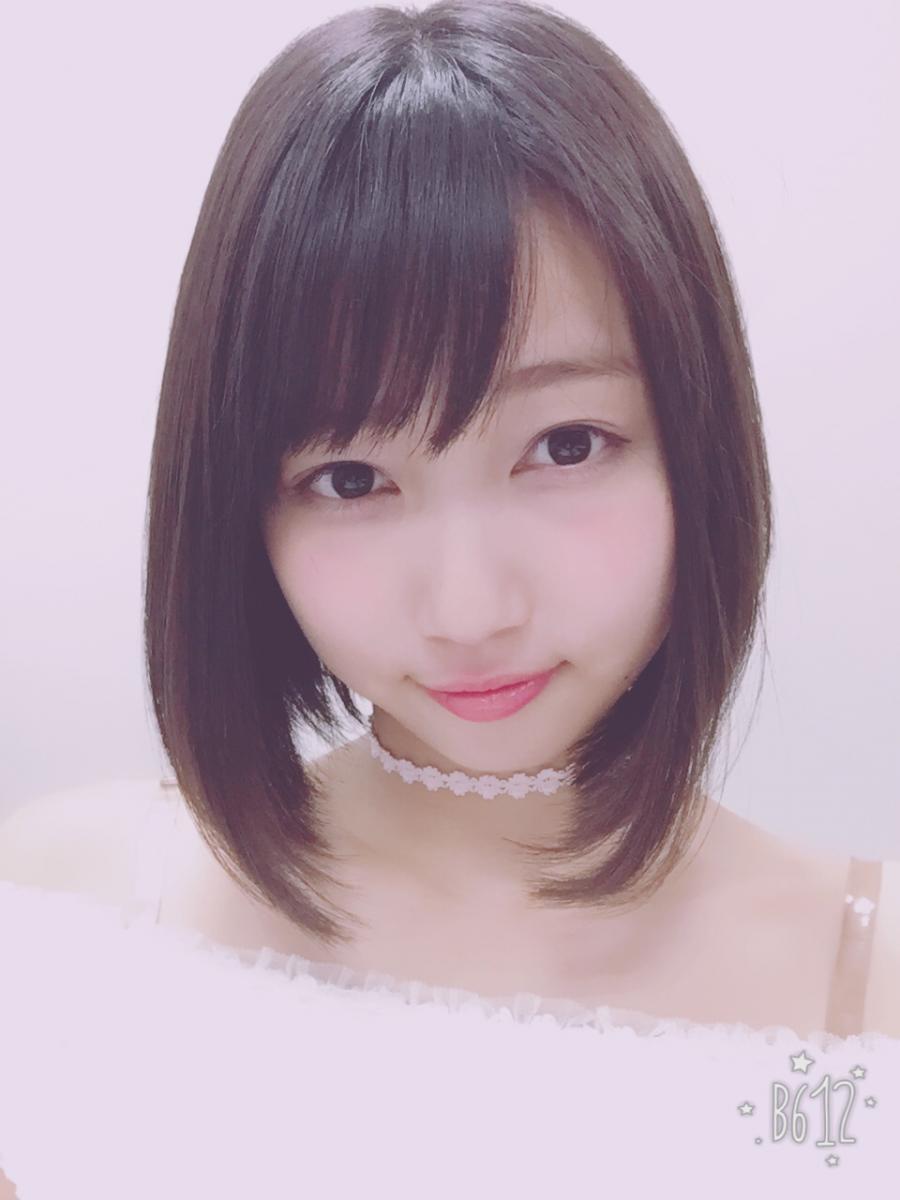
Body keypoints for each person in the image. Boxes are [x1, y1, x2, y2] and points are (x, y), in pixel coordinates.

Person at [1, 2, 897, 1196]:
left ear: (698, 437)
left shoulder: (864, 995)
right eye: (351, 478)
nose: (469, 610)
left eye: (566, 445)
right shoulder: (71, 909)